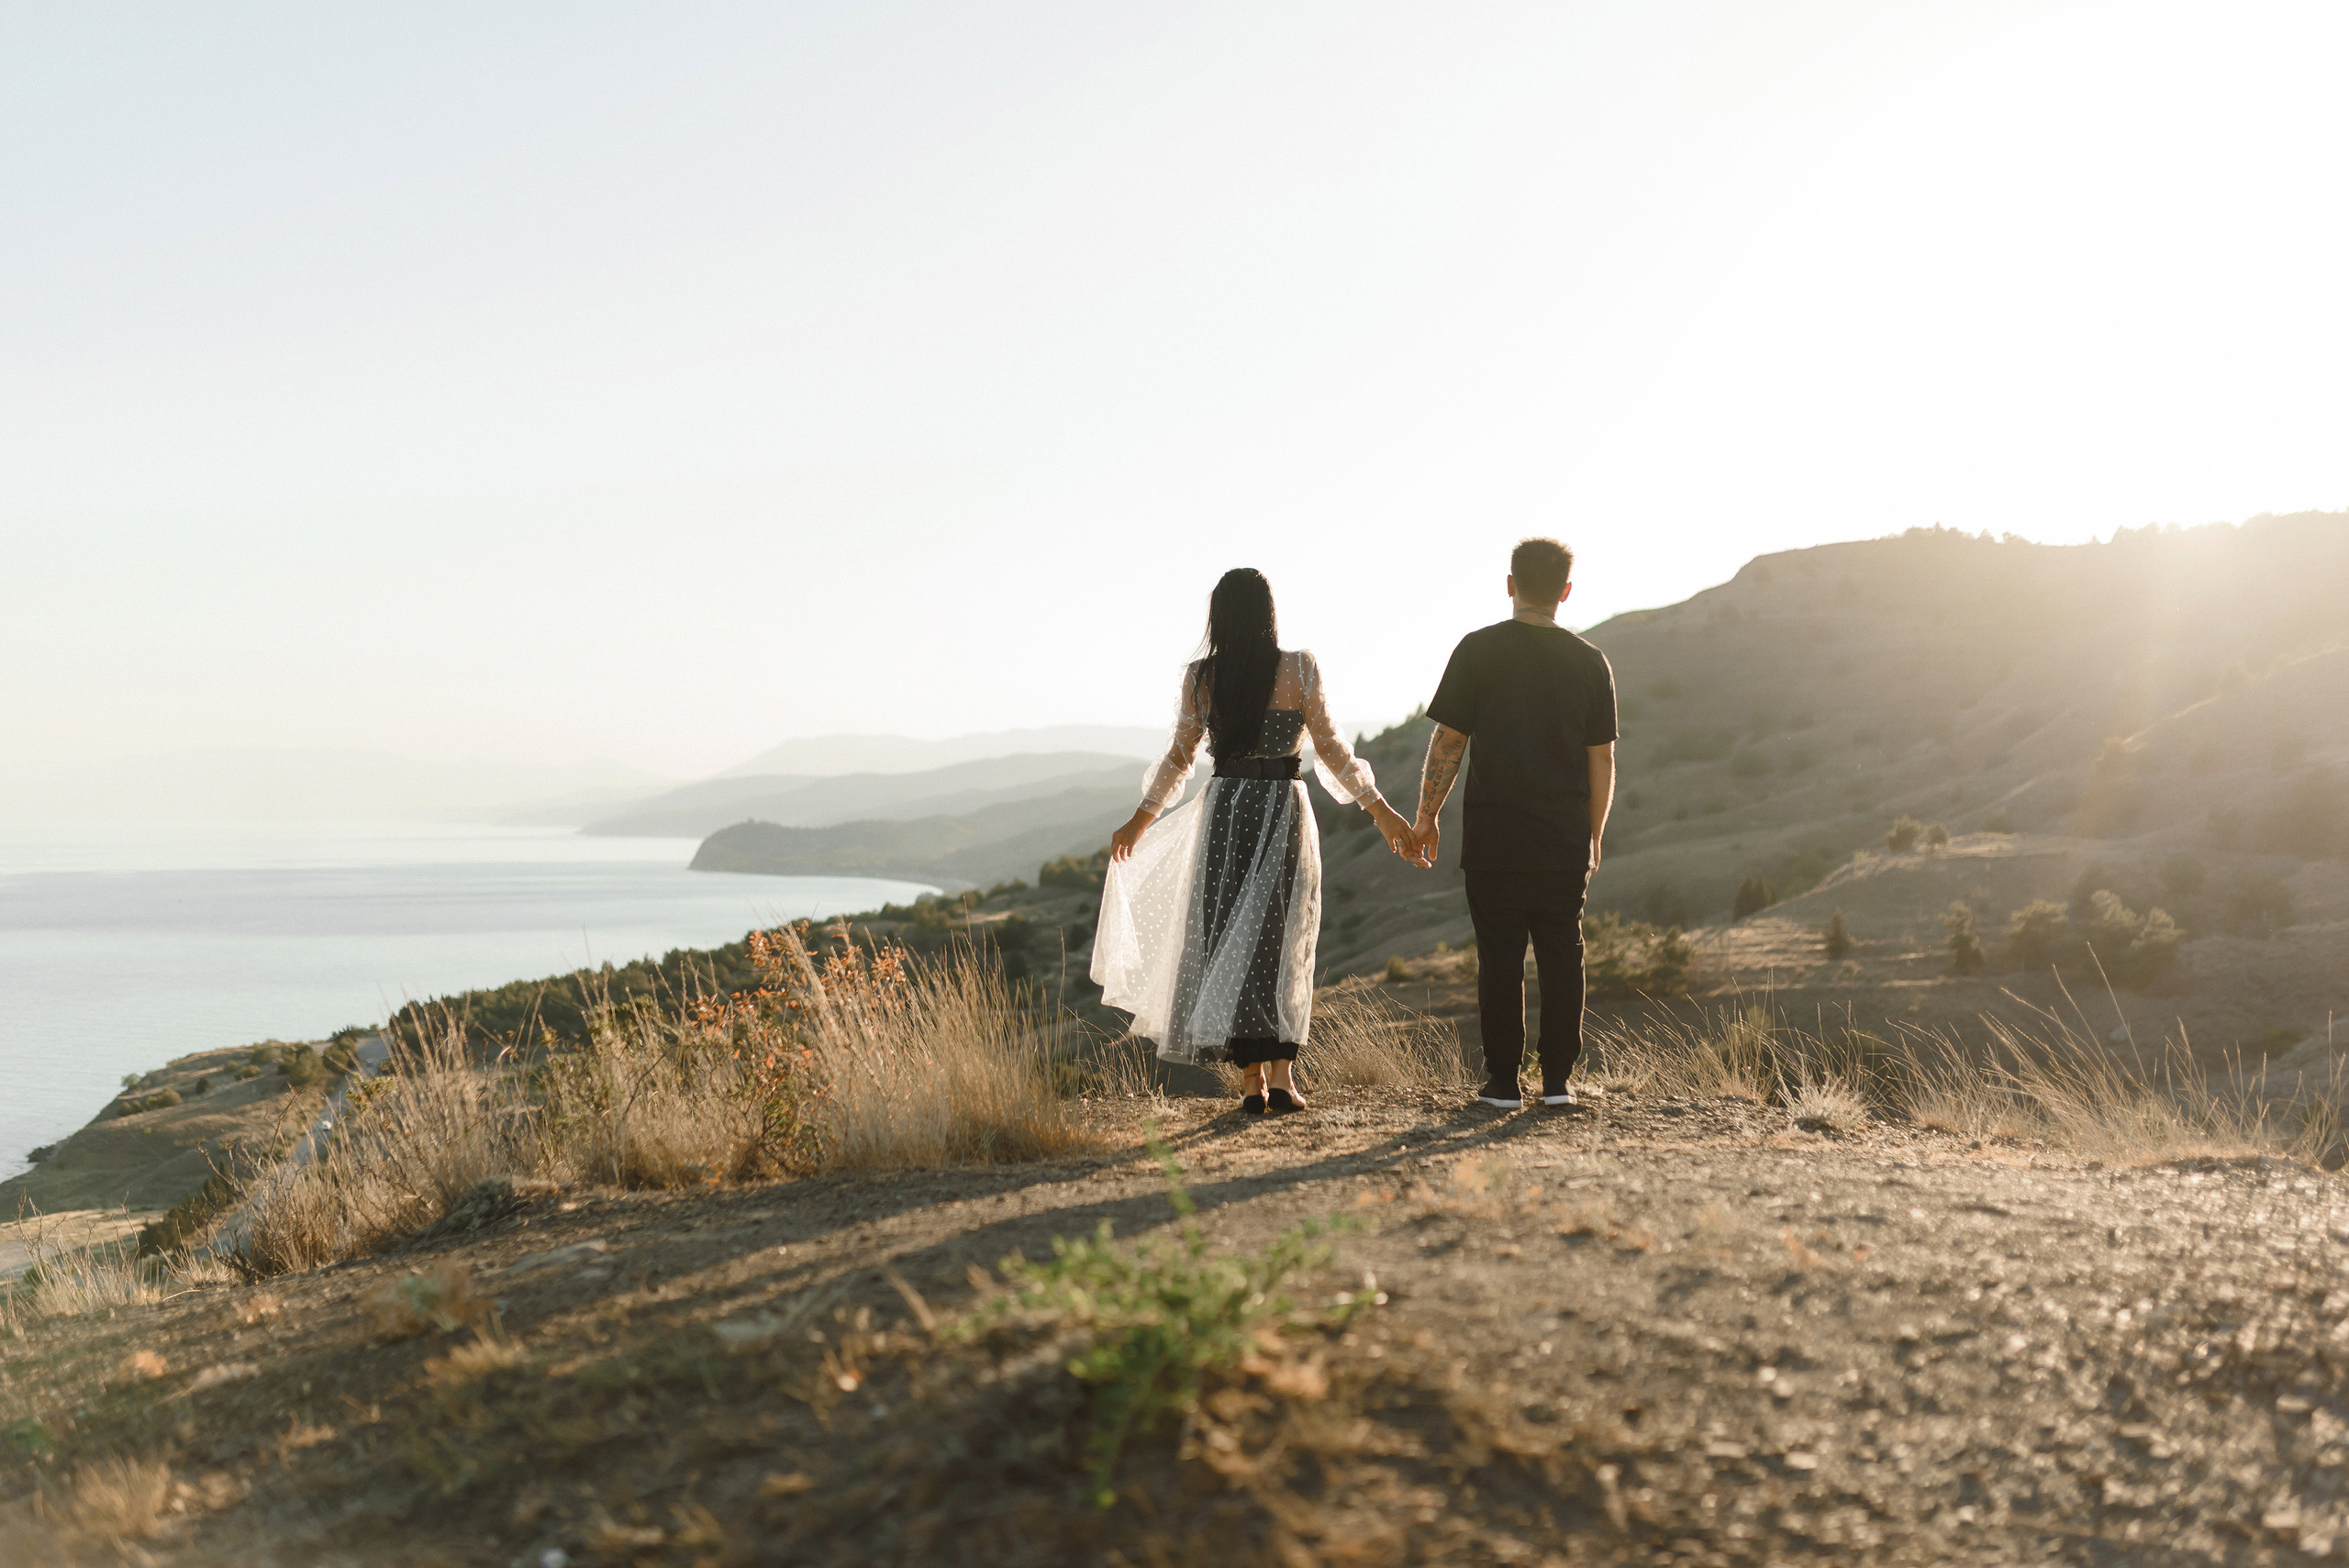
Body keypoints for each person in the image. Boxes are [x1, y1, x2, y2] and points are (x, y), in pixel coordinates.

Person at [1093, 568, 1416, 1114]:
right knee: (1284, 939)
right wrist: (1381, 813)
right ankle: (1283, 1078)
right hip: (1283, 808)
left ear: (1217, 616)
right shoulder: (1298, 668)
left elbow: (1180, 760)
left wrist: (1139, 821)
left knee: (1232, 941)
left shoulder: (1203, 676)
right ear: (1267, 612)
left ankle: (1253, 1083)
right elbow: (1332, 749)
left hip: (1227, 813)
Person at [1406, 538, 1617, 1109]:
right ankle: (1557, 1085)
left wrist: (1427, 818)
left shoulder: (1478, 650)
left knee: (1498, 959)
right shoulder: (1590, 660)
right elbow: (1602, 759)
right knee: (1561, 957)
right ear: (1566, 592)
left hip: (1495, 838)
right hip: (1562, 840)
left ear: (1509, 583)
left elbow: (1449, 740)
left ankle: (1502, 1083)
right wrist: (1593, 837)